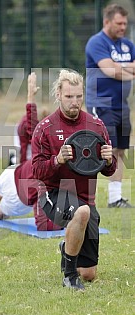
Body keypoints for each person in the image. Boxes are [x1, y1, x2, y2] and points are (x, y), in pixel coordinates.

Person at [31, 69, 117, 290]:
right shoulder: (45, 128)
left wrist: (109, 161)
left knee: (89, 274)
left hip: (85, 196)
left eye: (79, 96)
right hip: (53, 194)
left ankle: (67, 247)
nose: (75, 102)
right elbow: (37, 172)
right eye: (69, 97)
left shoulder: (96, 126)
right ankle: (69, 276)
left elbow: (109, 170)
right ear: (58, 94)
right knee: (82, 212)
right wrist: (57, 160)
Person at [0, 72, 61, 231]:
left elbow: (31, 124)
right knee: (1, 212)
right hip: (20, 197)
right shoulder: (54, 169)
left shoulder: (43, 145)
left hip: (13, 173)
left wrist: (31, 96)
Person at [85, 3, 135, 208]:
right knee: (105, 149)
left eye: (125, 23)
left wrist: (119, 67)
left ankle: (115, 198)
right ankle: (82, 194)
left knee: (120, 150)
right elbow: (109, 70)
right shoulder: (97, 42)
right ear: (107, 22)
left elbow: (117, 68)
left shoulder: (128, 45)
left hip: (121, 105)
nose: (123, 27)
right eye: (119, 23)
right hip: (101, 103)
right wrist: (126, 69)